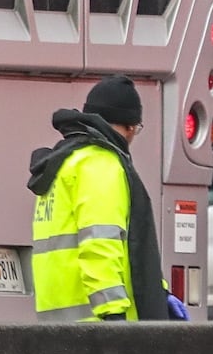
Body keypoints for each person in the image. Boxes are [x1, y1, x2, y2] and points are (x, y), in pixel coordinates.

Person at [27, 74, 187, 322]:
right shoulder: (101, 165)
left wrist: (159, 288)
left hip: (59, 325)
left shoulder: (64, 164)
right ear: (130, 126)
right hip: (97, 326)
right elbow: (100, 245)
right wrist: (113, 316)